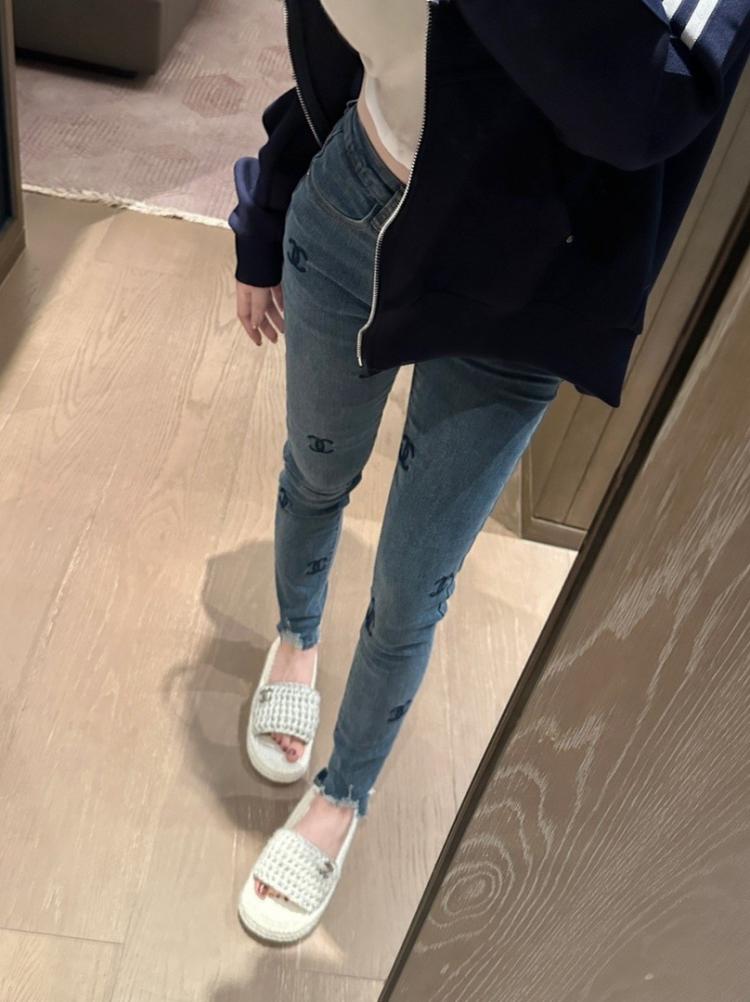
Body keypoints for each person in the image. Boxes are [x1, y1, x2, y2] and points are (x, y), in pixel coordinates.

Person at [228, 0, 750, 942]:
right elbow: (366, 52)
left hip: (527, 285)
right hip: (358, 196)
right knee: (315, 471)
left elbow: (636, 110)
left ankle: (345, 794)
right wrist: (267, 205)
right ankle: (296, 636)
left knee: (412, 585)